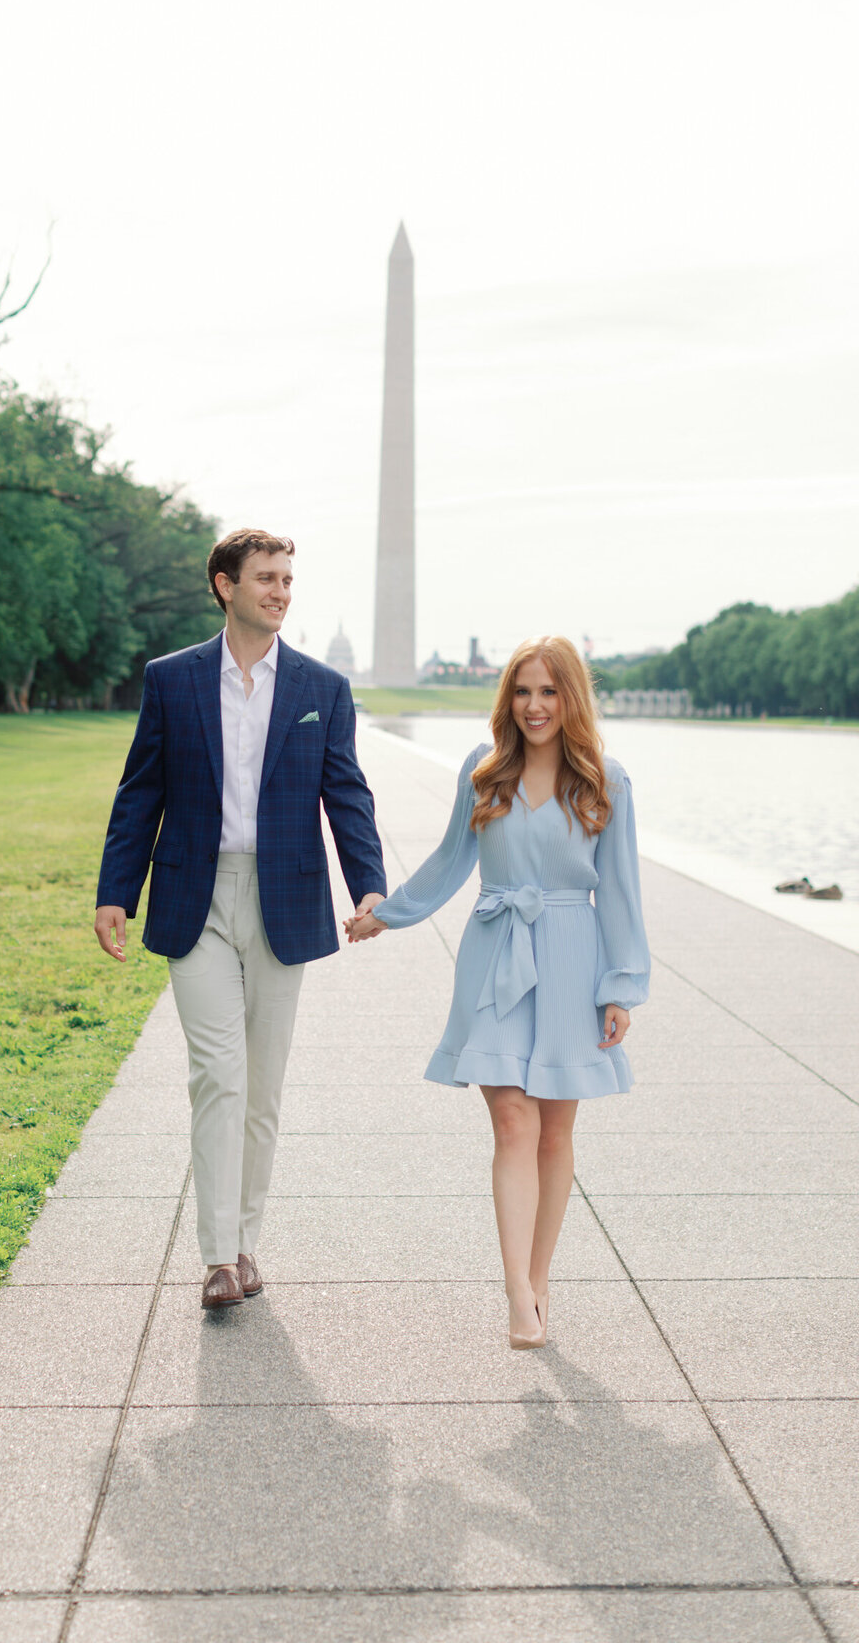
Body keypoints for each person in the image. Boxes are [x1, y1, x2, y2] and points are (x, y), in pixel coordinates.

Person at [94, 529, 387, 1310]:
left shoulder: (321, 690)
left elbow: (346, 794)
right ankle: (219, 1258)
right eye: (266, 578)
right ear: (225, 585)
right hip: (196, 897)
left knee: (262, 1087)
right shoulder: (173, 680)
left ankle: (246, 1242)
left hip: (283, 902)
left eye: (288, 579)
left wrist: (369, 887)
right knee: (217, 1076)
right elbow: (140, 792)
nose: (281, 592)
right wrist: (115, 890)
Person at [347, 635, 649, 1349]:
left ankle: (540, 1279)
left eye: (549, 691)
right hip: (495, 954)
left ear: (571, 698)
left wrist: (621, 988)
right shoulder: (483, 773)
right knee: (511, 1120)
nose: (535, 705)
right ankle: (517, 1291)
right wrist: (386, 915)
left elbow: (624, 893)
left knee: (554, 1131)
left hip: (576, 955)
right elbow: (451, 860)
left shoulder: (607, 779)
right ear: (506, 699)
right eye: (522, 691)